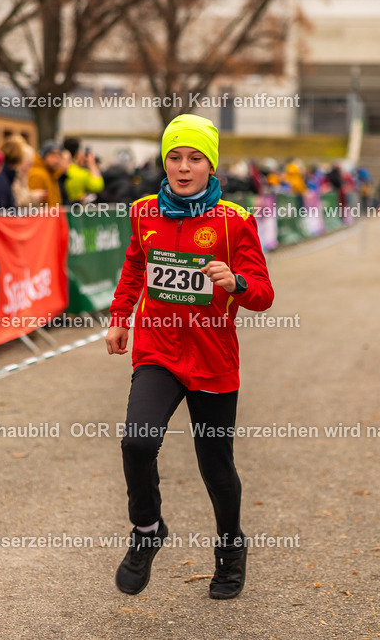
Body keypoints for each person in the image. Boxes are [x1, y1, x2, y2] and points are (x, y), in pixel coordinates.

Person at [106, 114, 274, 600]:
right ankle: (146, 530)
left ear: (210, 165)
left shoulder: (234, 222)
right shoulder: (142, 211)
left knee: (216, 468)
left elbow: (263, 293)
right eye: (174, 157)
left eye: (194, 158)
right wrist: (120, 315)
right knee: (137, 442)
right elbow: (136, 263)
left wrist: (236, 283)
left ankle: (230, 548)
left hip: (212, 357)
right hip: (157, 349)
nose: (183, 168)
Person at [24, 140, 64, 206]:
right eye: (53, 156)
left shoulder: (52, 174)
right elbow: (35, 204)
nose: (57, 160)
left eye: (59, 156)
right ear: (44, 156)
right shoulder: (37, 174)